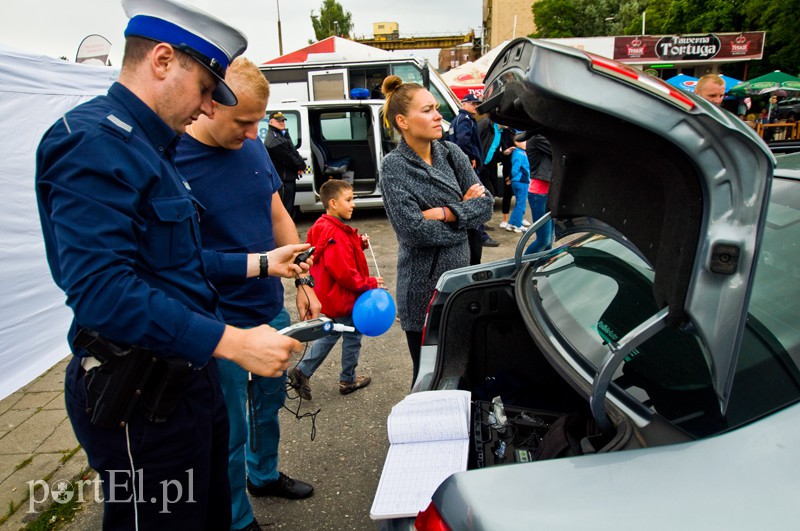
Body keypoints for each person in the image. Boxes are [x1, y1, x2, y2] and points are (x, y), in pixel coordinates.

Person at [35, 0, 311, 528]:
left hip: (185, 381)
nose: (208, 109)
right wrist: (232, 341)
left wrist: (259, 264)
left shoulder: (151, 146)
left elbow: (177, 263)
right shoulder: (92, 143)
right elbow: (103, 291)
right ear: (162, 60)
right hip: (140, 396)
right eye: (206, 89)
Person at [176, 57, 321, 531]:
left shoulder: (254, 149)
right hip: (221, 322)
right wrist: (261, 266)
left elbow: (276, 211)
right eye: (245, 121)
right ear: (209, 105)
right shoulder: (173, 160)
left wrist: (301, 278)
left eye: (260, 119)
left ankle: (264, 475)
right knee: (230, 429)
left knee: (269, 405)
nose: (256, 132)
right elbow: (181, 257)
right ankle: (236, 517)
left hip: (268, 308)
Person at [380, 75, 494, 385]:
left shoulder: (451, 153)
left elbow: (487, 204)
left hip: (463, 281)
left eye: (436, 108)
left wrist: (444, 212)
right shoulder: (394, 166)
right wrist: (463, 216)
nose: (438, 115)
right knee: (429, 377)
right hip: (424, 291)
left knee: (467, 370)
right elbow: (413, 231)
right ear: (403, 121)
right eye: (428, 109)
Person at [289, 180, 382, 400]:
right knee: (351, 335)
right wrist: (370, 283)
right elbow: (345, 272)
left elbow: (338, 252)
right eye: (348, 200)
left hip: (330, 295)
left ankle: (304, 371)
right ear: (333, 203)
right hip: (343, 297)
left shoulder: (323, 226)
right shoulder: (336, 233)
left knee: (332, 332)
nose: (353, 205)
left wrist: (359, 243)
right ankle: (346, 379)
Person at [450, 93, 498, 256]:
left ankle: (480, 229)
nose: (476, 107)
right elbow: (463, 141)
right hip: (468, 165)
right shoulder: (465, 120)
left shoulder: (456, 120)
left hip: (460, 165)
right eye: (472, 104)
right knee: (477, 197)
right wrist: (470, 157)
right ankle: (480, 233)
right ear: (464, 104)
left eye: (477, 104)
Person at [264, 111, 306, 215]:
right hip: (283, 180)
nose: (282, 122)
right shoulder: (275, 139)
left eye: (283, 120)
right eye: (279, 121)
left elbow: (293, 151)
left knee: (288, 207)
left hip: (287, 178)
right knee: (285, 211)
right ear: (271, 122)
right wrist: (300, 166)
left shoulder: (281, 135)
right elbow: (288, 157)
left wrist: (300, 165)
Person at [525, 134, 555, 254]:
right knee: (543, 240)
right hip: (539, 195)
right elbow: (558, 150)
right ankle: (521, 269)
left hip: (549, 193)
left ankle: (541, 268)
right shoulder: (538, 137)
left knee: (550, 241)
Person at [506, 137, 530, 233]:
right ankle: (517, 225)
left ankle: (511, 223)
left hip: (518, 181)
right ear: (516, 142)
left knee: (518, 203)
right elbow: (515, 168)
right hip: (521, 181)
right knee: (521, 204)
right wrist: (511, 177)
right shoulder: (519, 153)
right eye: (523, 141)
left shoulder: (518, 152)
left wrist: (510, 177)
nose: (526, 143)